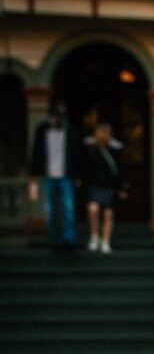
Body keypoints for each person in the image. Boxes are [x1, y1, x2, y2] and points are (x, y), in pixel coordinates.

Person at [29, 99, 80, 252]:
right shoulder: (42, 130)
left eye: (61, 116)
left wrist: (77, 175)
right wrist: (33, 177)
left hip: (66, 175)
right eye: (56, 116)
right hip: (48, 175)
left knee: (68, 208)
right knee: (50, 209)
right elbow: (36, 152)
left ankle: (68, 239)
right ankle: (56, 239)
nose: (58, 119)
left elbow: (76, 154)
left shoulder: (70, 131)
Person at [82, 123, 128, 254]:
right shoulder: (89, 147)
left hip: (109, 185)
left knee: (108, 214)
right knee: (93, 209)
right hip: (95, 184)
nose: (103, 135)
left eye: (106, 132)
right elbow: (84, 165)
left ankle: (106, 241)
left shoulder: (115, 149)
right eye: (101, 132)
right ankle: (94, 237)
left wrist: (122, 187)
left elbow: (120, 169)